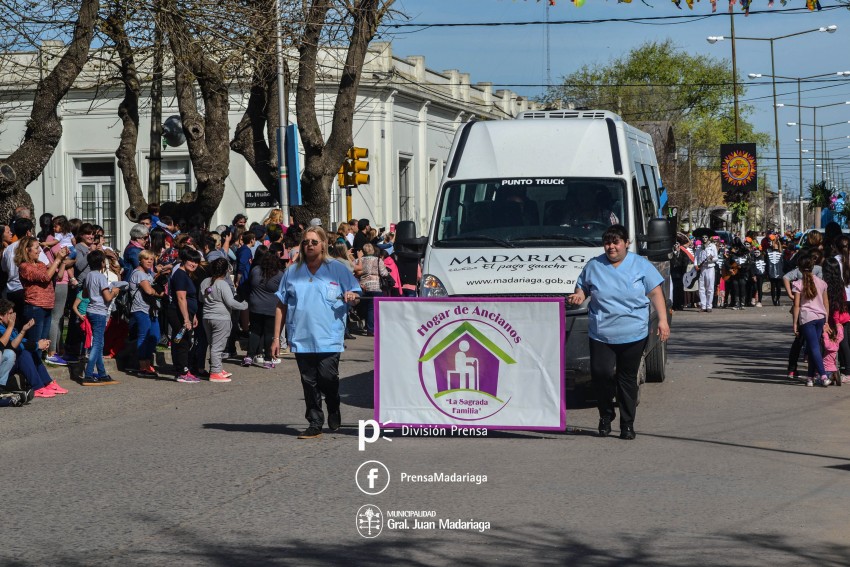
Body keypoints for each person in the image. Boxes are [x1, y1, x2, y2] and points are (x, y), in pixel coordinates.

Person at [567, 224, 669, 440]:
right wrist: (578, 295)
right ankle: (605, 415)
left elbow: (655, 293)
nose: (611, 247)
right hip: (602, 332)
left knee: (626, 379)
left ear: (626, 243)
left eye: (616, 242)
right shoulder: (594, 265)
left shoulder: (640, 265)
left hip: (633, 332)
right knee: (601, 375)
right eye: (607, 242)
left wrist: (662, 320)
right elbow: (583, 287)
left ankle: (627, 423)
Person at [271, 227, 362, 439]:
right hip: (301, 337)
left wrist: (352, 297)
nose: (309, 245)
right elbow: (281, 305)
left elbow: (356, 295)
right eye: (305, 242)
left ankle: (333, 404)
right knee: (309, 381)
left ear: (323, 245)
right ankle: (315, 422)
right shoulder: (292, 272)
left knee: (328, 378)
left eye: (313, 242)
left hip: (329, 336)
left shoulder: (337, 269)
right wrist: (276, 338)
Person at [0, 300, 68, 398]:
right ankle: (37, 387)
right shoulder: (3, 329)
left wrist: (38, 344)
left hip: (8, 363)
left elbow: (21, 340)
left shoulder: (7, 326)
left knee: (29, 351)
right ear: (1, 316)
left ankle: (47, 383)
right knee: (23, 353)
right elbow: (12, 345)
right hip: (4, 366)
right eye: (10, 313)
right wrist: (37, 345)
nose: (13, 315)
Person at [16, 236, 69, 348]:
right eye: (36, 248)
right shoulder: (25, 267)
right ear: (27, 249)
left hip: (47, 307)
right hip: (35, 308)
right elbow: (45, 277)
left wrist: (62, 259)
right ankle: (31, 365)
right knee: (36, 344)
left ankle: (38, 364)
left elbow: (57, 276)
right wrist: (57, 259)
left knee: (44, 343)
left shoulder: (40, 264)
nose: (39, 250)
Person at [201, 258, 247, 382]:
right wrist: (244, 305)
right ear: (226, 271)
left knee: (213, 344)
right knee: (218, 346)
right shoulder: (222, 284)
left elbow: (201, 298)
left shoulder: (205, 282)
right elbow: (230, 302)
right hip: (221, 318)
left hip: (207, 316)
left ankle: (217, 368)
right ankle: (215, 371)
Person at [81, 250, 122, 386]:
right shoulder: (101, 277)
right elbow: (108, 297)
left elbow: (85, 294)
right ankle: (88, 374)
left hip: (91, 310)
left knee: (99, 343)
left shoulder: (88, 276)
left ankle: (102, 373)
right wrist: (115, 291)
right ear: (102, 263)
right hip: (100, 312)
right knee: (97, 344)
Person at [792, 254, 830, 387]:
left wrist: (795, 323)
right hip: (821, 317)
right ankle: (810, 377)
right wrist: (826, 320)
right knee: (814, 346)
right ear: (813, 267)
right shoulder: (822, 283)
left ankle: (823, 375)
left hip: (807, 318)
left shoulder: (798, 284)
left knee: (813, 347)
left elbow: (797, 305)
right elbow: (826, 303)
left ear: (800, 268)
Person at [129, 250, 168, 377]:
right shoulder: (139, 274)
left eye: (151, 259)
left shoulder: (148, 273)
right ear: (140, 260)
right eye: (146, 259)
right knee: (144, 336)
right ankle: (143, 366)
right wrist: (160, 294)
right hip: (140, 309)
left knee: (155, 336)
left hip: (151, 310)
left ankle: (146, 362)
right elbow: (149, 291)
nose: (150, 261)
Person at [169, 247, 202, 383]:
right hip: (179, 314)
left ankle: (182, 369)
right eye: (190, 261)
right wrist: (186, 319)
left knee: (183, 341)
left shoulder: (186, 274)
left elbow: (189, 298)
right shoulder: (180, 275)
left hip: (187, 313)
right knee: (182, 342)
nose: (193, 264)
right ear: (184, 260)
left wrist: (193, 316)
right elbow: (181, 298)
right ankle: (182, 372)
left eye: (196, 262)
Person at [246, 250, 284, 367]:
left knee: (254, 332)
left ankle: (249, 356)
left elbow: (250, 284)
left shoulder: (255, 270)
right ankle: (268, 359)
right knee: (269, 334)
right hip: (271, 308)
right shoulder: (279, 274)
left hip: (255, 306)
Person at [354, 243, 389, 336]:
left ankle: (365, 324)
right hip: (376, 287)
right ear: (373, 250)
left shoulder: (358, 260)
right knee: (372, 308)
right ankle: (370, 329)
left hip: (363, 286)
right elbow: (384, 273)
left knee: (364, 306)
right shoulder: (378, 260)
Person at [695, 237, 717, 313]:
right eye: (703, 237)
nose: (704, 239)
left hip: (710, 267)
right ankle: (703, 306)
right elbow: (696, 257)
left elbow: (716, 258)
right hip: (702, 268)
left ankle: (709, 306)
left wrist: (711, 259)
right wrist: (696, 265)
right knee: (701, 287)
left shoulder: (712, 246)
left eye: (706, 237)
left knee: (710, 287)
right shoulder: (699, 247)